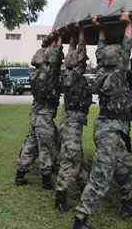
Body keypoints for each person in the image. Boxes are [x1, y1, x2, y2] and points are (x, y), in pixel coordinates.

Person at [73, 13, 132, 229]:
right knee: (101, 177)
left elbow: (100, 49)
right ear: (118, 60)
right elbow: (127, 45)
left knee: (129, 169)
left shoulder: (101, 71)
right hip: (109, 134)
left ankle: (128, 205)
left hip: (108, 130)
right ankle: (80, 220)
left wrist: (99, 27)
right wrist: (129, 23)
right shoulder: (118, 75)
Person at [55, 28, 93, 212]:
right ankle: (60, 197)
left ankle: (84, 186)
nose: (85, 64)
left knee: (77, 158)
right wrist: (81, 34)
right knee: (70, 159)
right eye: (82, 62)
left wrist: (72, 38)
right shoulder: (74, 76)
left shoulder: (69, 74)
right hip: (71, 124)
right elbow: (80, 54)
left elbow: (73, 55)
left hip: (71, 122)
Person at [14, 44, 48, 185]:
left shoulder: (34, 74)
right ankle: (46, 179)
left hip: (35, 113)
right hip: (42, 115)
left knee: (30, 144)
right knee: (44, 146)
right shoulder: (43, 75)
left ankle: (20, 174)